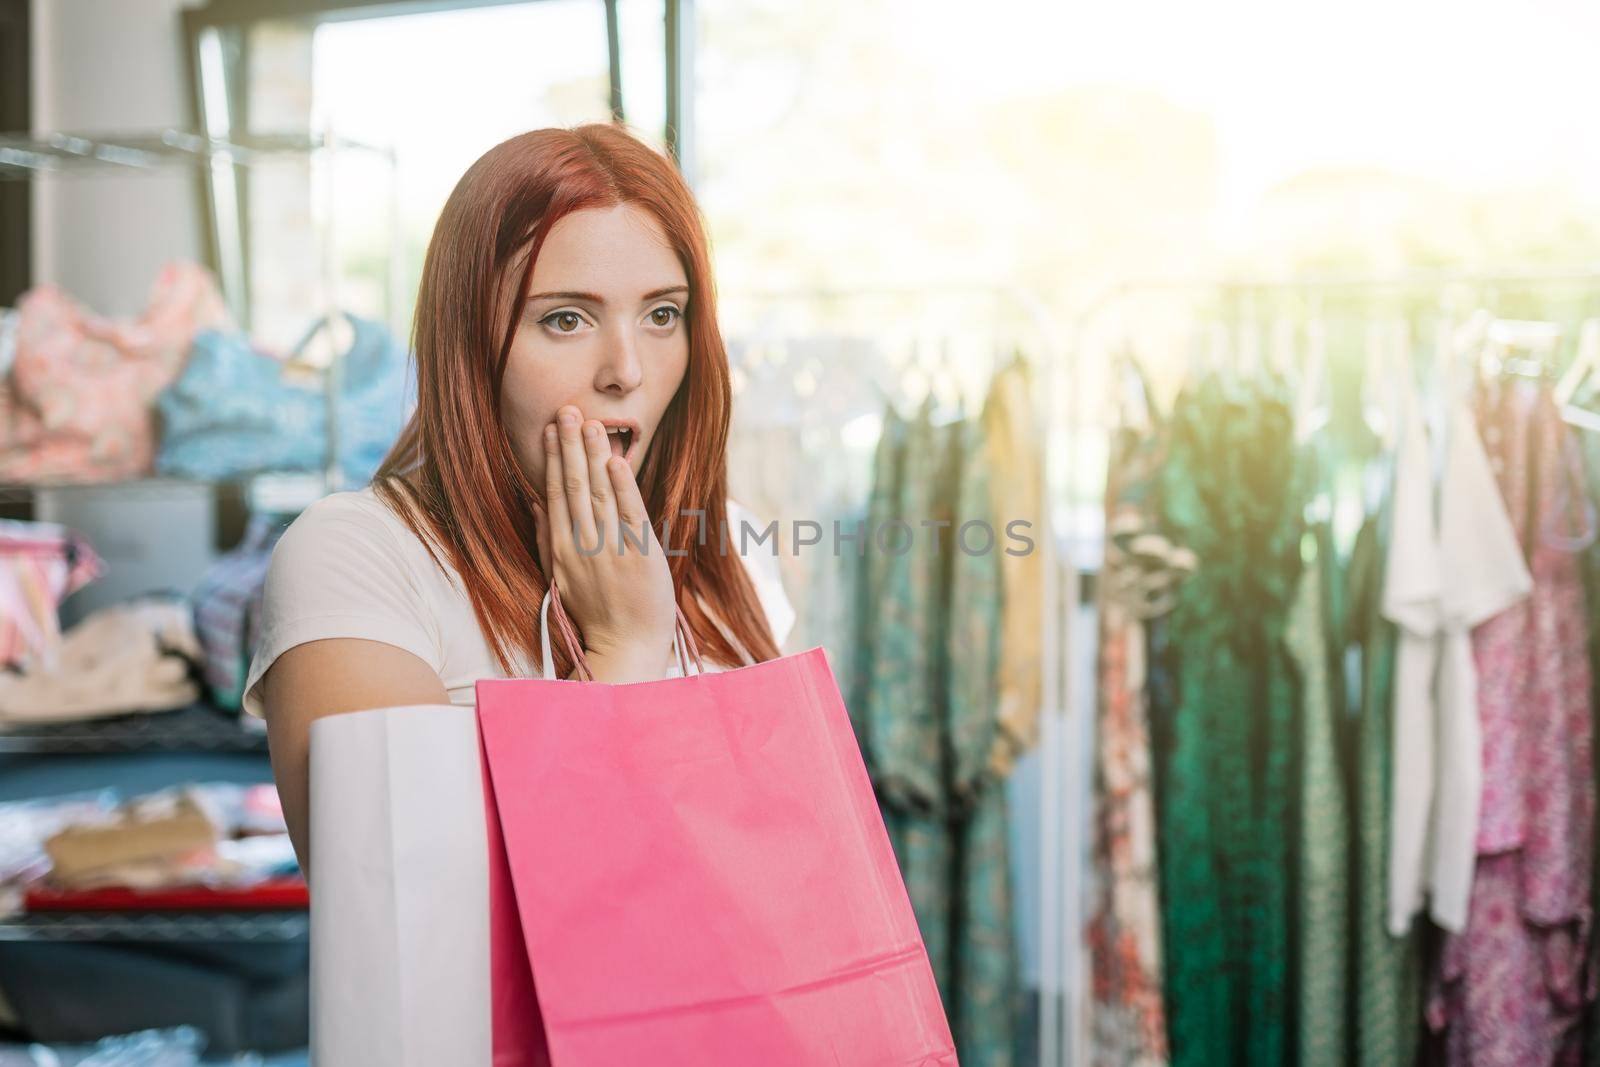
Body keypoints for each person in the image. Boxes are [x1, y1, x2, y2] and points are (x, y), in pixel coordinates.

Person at [242, 124, 795, 874]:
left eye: (663, 314)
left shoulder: (728, 542)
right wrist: (624, 650)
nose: (626, 370)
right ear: (470, 345)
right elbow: (406, 910)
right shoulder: (356, 557)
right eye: (566, 318)